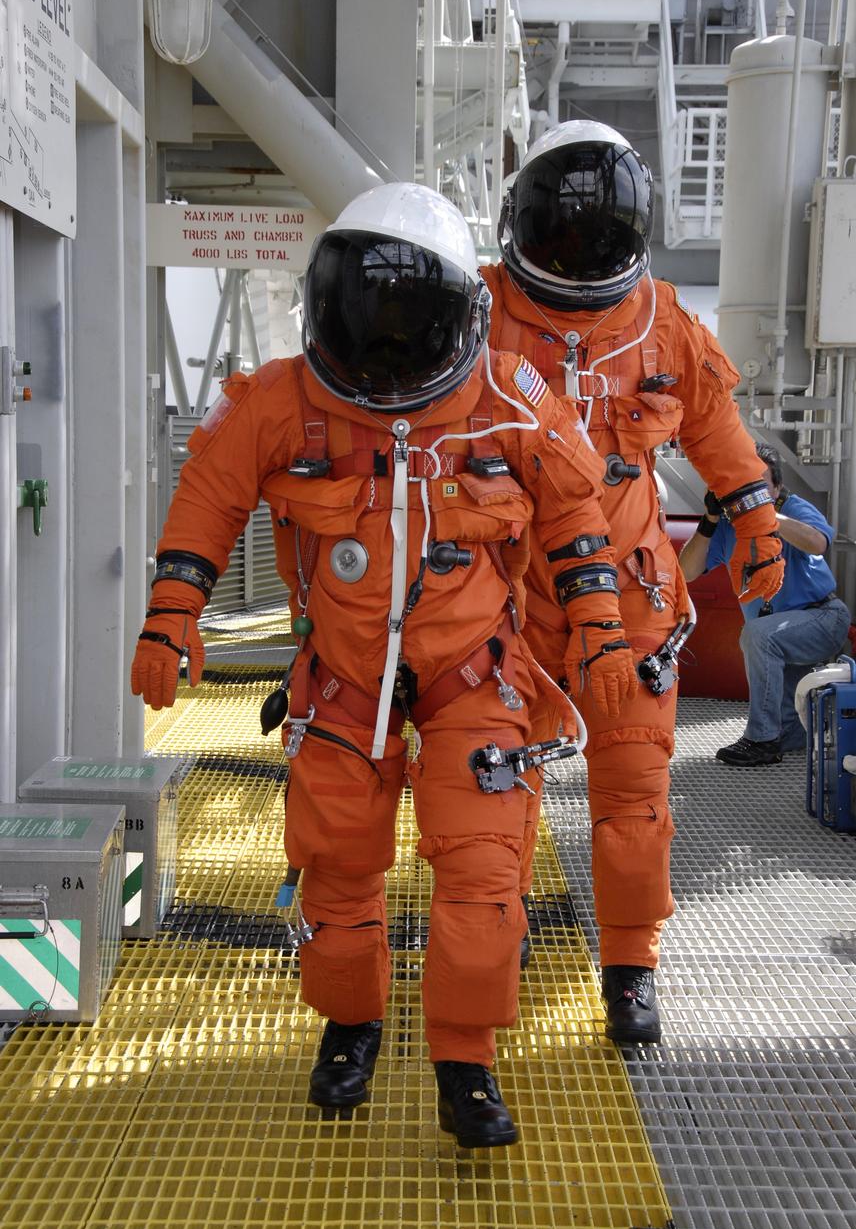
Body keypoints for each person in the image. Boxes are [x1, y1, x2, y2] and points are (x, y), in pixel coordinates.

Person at [130, 183, 638, 1149]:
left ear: (463, 318)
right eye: (371, 320)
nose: (390, 348)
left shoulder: (507, 398)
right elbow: (211, 490)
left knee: (486, 875)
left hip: (474, 677)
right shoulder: (286, 400)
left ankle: (466, 1063)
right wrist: (171, 611)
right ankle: (349, 1028)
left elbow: (576, 510)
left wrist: (602, 626)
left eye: (414, 325)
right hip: (342, 678)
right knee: (337, 866)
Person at [481, 119, 785, 1045]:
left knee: (634, 798)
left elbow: (717, 432)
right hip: (509, 596)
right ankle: (494, 936)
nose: (577, 253)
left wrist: (759, 517)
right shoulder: (477, 312)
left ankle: (630, 965)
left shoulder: (664, 325)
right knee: (497, 789)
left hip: (638, 598)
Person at [680, 441, 851, 765]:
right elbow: (687, 572)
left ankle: (761, 740)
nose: (748, 495)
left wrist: (765, 515)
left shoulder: (794, 507)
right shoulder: (728, 526)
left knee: (759, 634)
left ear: (777, 488)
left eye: (759, 487)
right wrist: (710, 519)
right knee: (793, 730)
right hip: (778, 634)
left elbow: (817, 544)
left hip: (822, 619)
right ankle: (784, 738)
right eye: (743, 487)